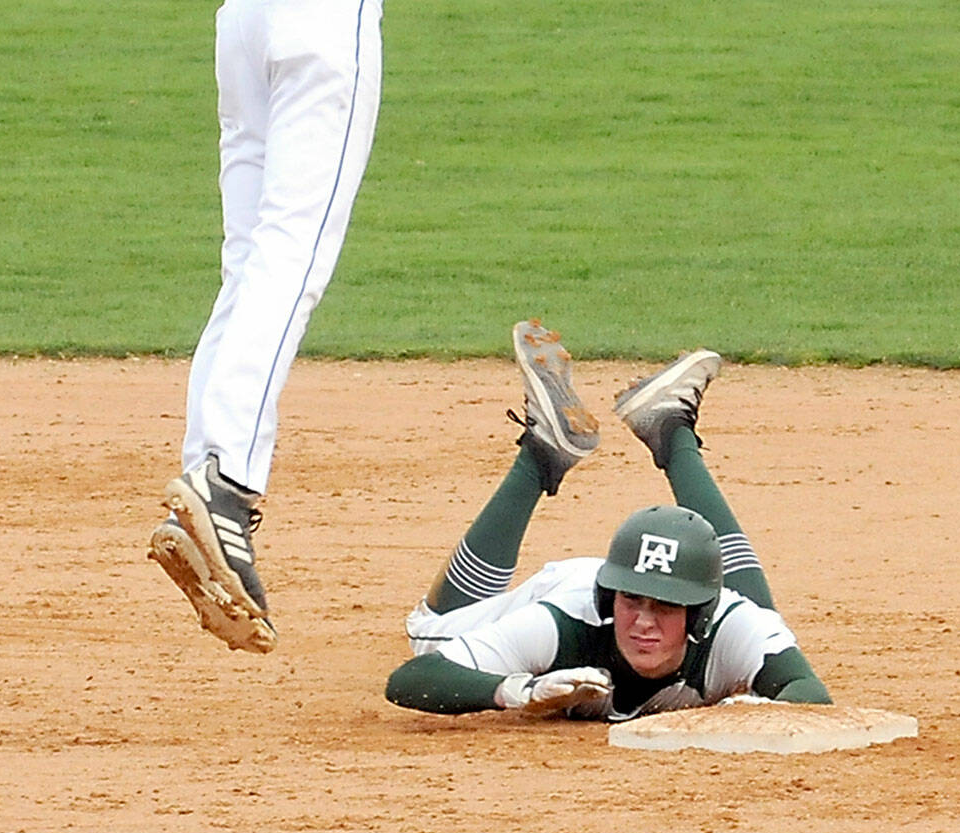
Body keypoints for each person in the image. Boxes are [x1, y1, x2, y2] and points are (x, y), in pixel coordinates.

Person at [384, 320, 831, 719]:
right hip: (559, 588)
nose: (642, 621)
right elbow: (414, 678)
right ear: (607, 596)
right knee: (429, 634)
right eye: (631, 601)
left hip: (692, 595)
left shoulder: (732, 624)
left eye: (665, 606)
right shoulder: (563, 621)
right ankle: (538, 458)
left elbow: (807, 691)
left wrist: (762, 711)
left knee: (763, 622)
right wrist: (518, 689)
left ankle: (669, 425)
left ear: (700, 617)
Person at [148, 0, 383, 654]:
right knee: (291, 255)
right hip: (323, 25)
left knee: (251, 260)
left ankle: (201, 491)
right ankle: (224, 487)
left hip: (244, 23)